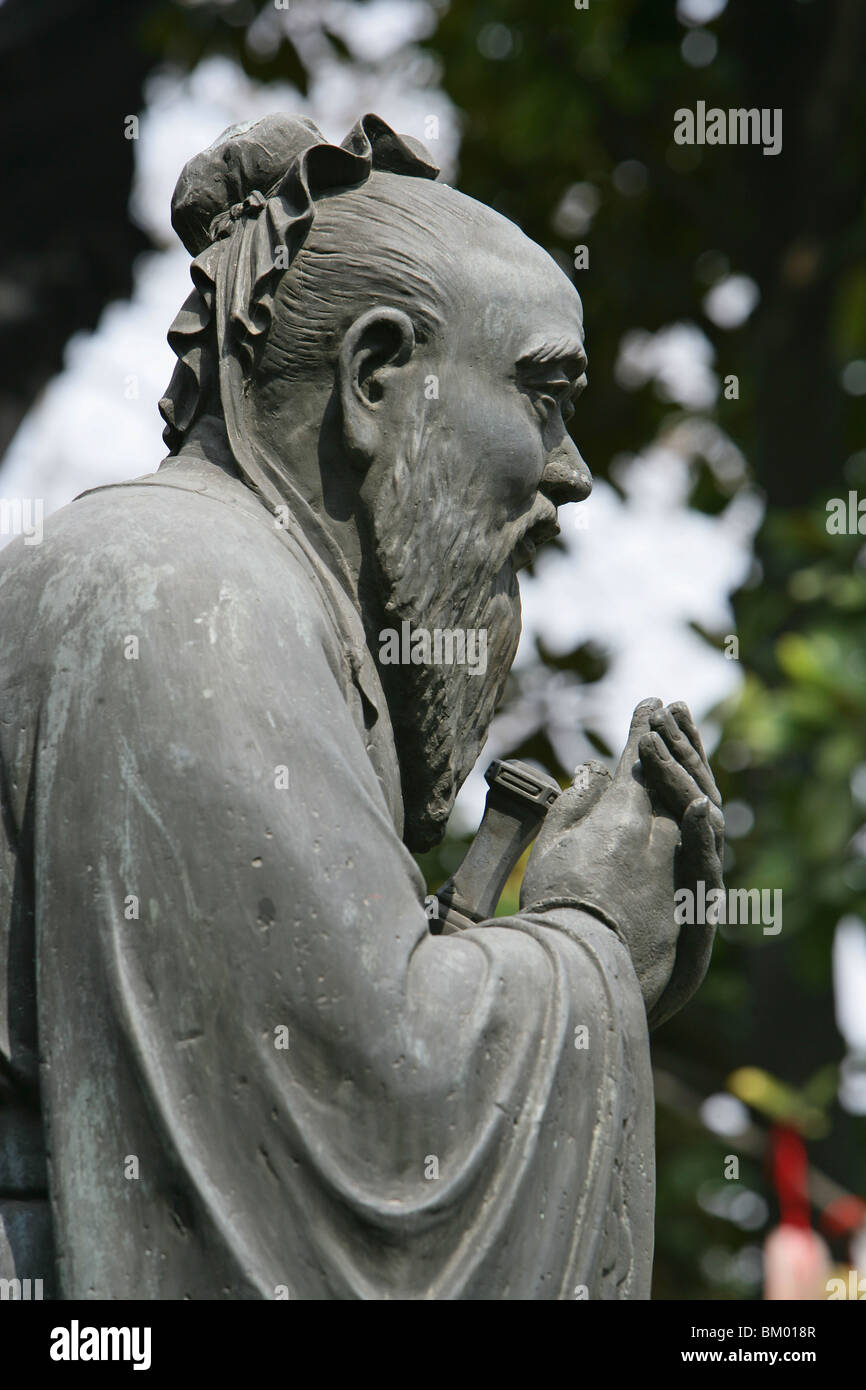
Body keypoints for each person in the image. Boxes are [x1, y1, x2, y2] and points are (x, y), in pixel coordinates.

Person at [0, 113, 723, 1299]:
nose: (571, 471)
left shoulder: (235, 591)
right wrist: (586, 944)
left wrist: (575, 963)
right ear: (376, 377)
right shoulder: (185, 591)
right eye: (543, 396)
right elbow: (364, 1135)